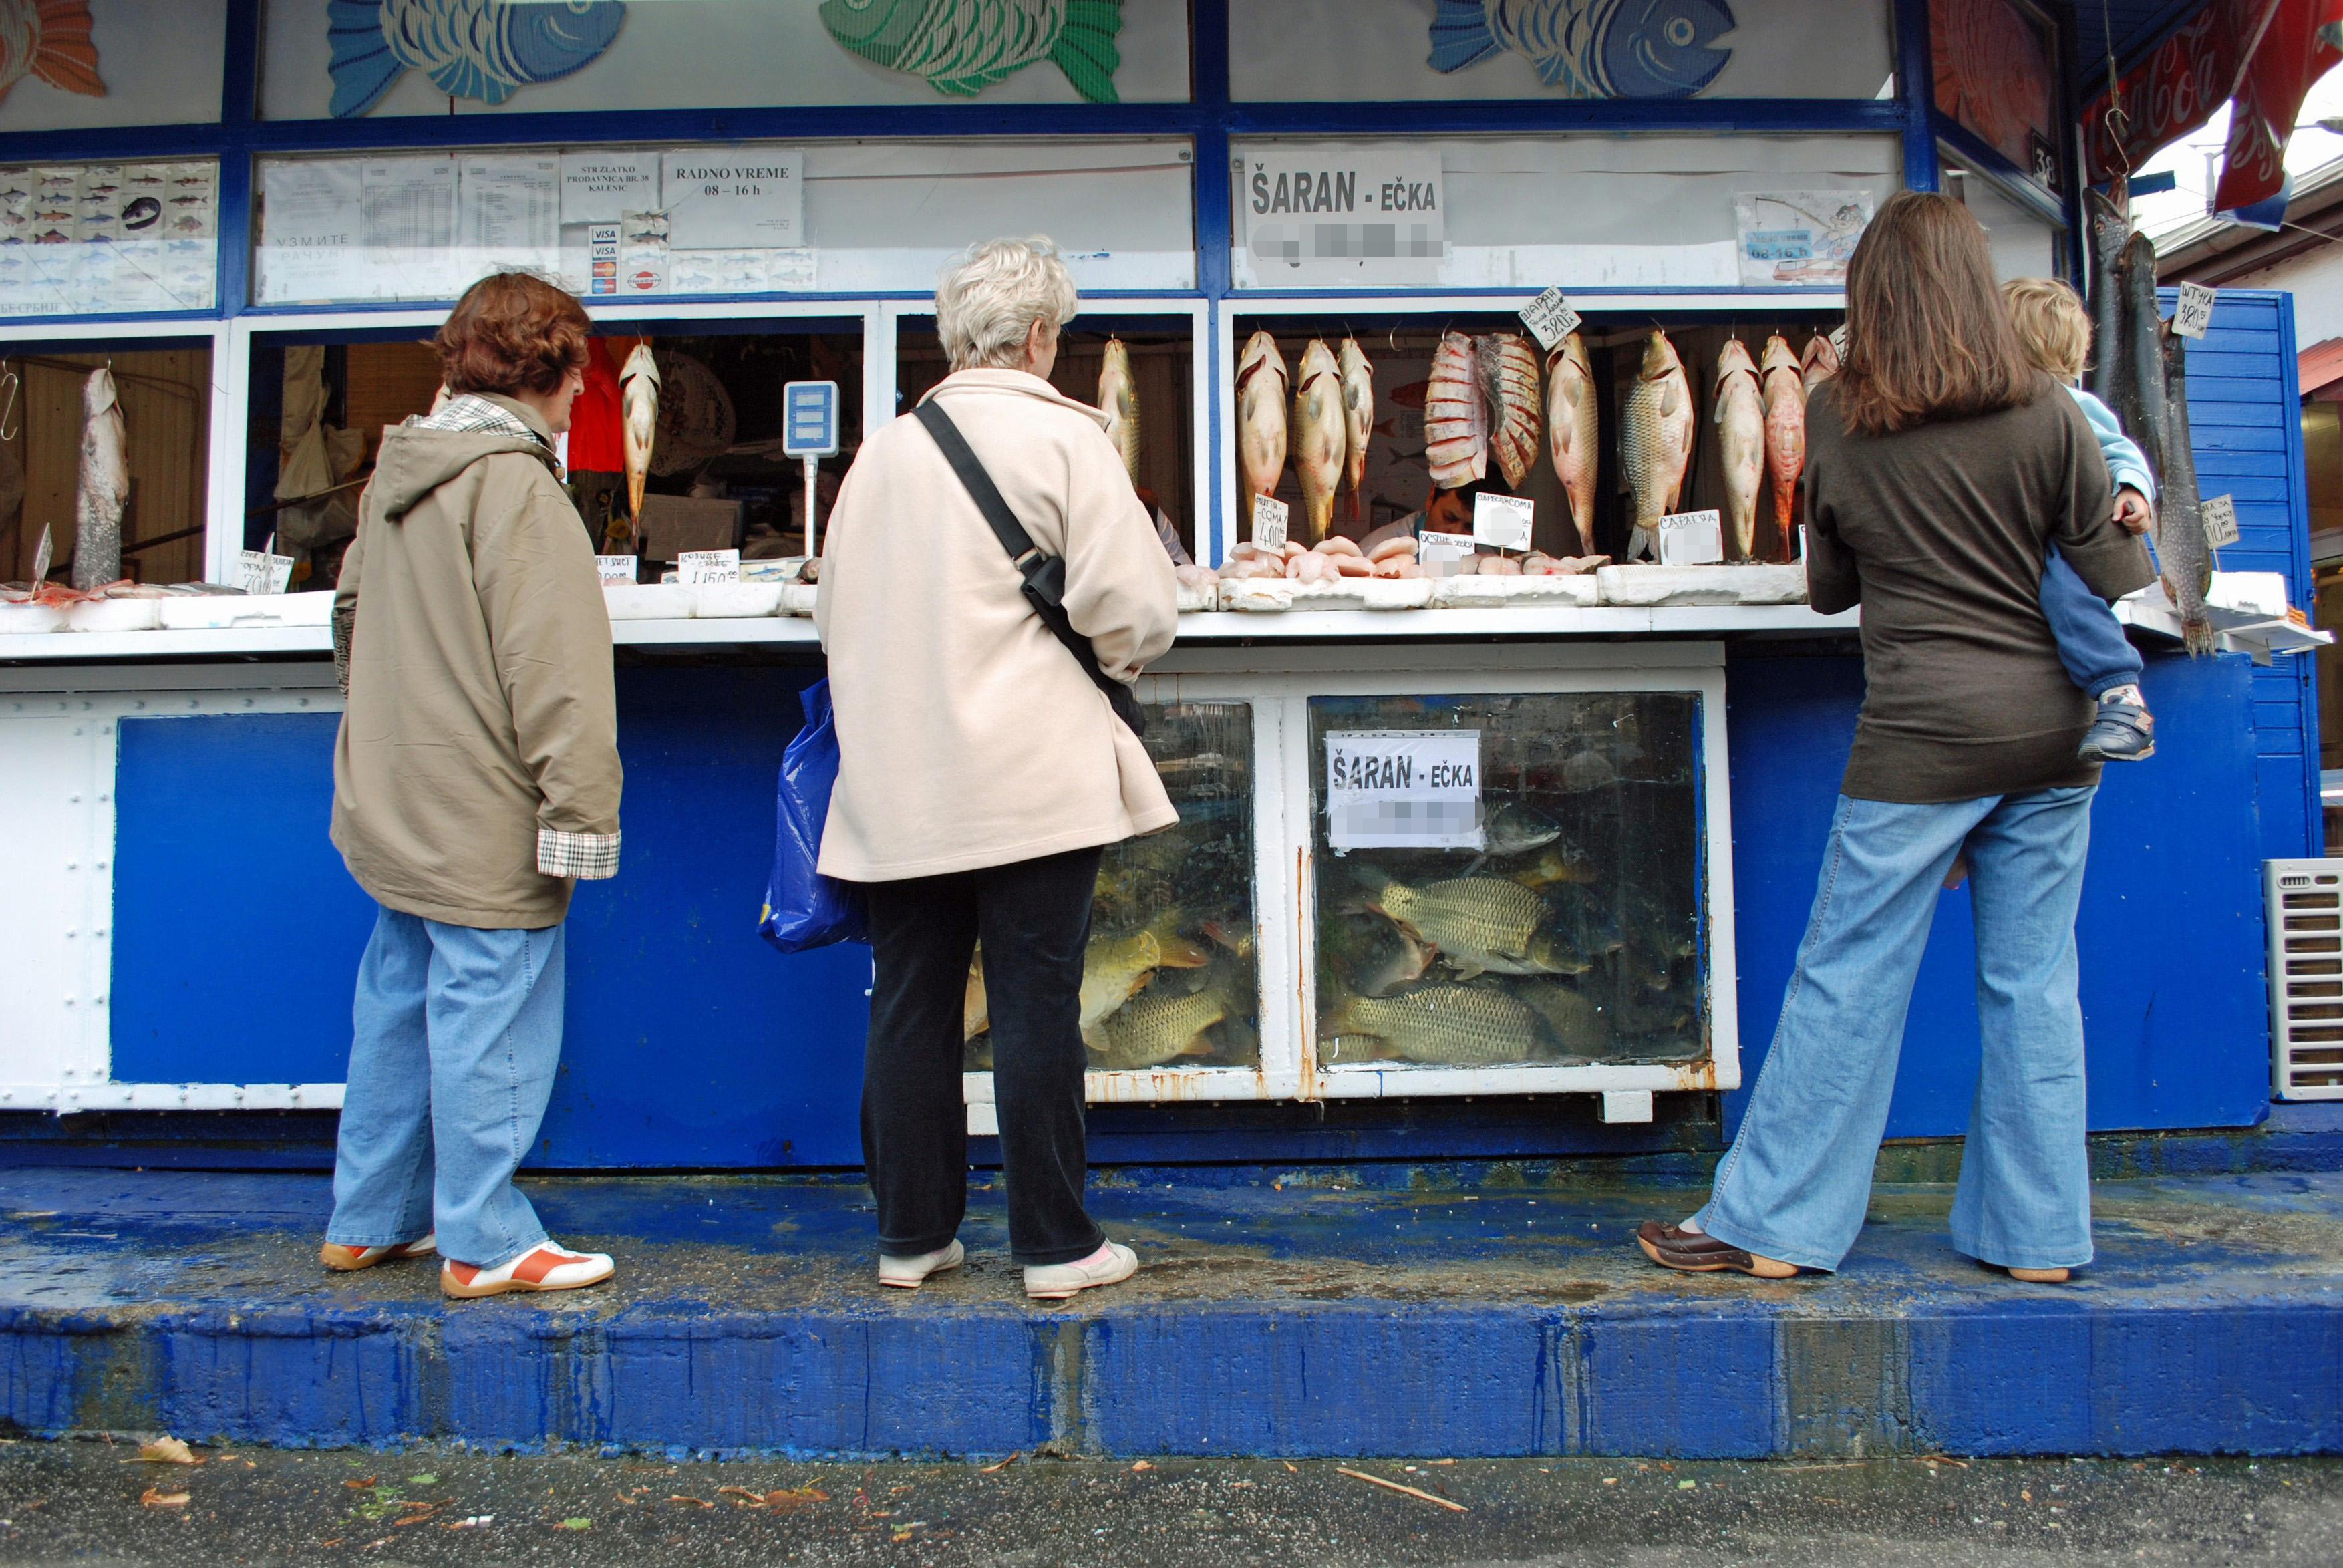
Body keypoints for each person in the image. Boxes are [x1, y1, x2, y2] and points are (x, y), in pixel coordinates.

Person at [1636, 192, 2154, 1285]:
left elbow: (1828, 589)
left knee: (1848, 973)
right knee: (2031, 984)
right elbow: (2116, 574)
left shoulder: (1836, 416)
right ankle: (2040, 1240)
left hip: (1920, 741)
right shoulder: (2053, 413)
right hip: (2055, 738)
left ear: (1869, 297)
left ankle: (1777, 1223)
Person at [815, 237, 1179, 1302]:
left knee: (911, 1006)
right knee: (1032, 1005)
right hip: (1029, 778)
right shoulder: (1066, 440)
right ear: (1036, 337)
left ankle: (910, 1234)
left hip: (897, 782)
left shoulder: (881, 452)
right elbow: (1135, 612)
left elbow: (834, 616)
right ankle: (1056, 1246)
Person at [321, 271, 623, 1299]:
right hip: (483, 810)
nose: (586, 390)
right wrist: (581, 816)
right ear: (549, 369)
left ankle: (368, 1220)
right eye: (579, 368)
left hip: (395, 797)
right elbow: (561, 677)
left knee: (398, 1006)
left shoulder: (400, 467)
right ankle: (487, 1237)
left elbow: (350, 617)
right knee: (491, 1016)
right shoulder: (516, 486)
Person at [2003, 277, 2159, 762]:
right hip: (2037, 534)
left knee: (2065, 595)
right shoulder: (1999, 408)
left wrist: (2133, 489)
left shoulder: (2073, 405)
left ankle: (2121, 695)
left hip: (2068, 546)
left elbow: (2120, 451)